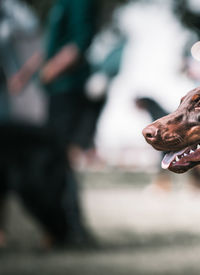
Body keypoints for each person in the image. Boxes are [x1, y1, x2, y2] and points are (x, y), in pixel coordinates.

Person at [8, 0, 97, 248]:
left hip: (68, 90)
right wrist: (25, 75)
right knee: (51, 160)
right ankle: (63, 229)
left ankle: (69, 229)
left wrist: (49, 71)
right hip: (55, 92)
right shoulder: (60, 4)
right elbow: (48, 47)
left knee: (58, 161)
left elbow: (77, 45)